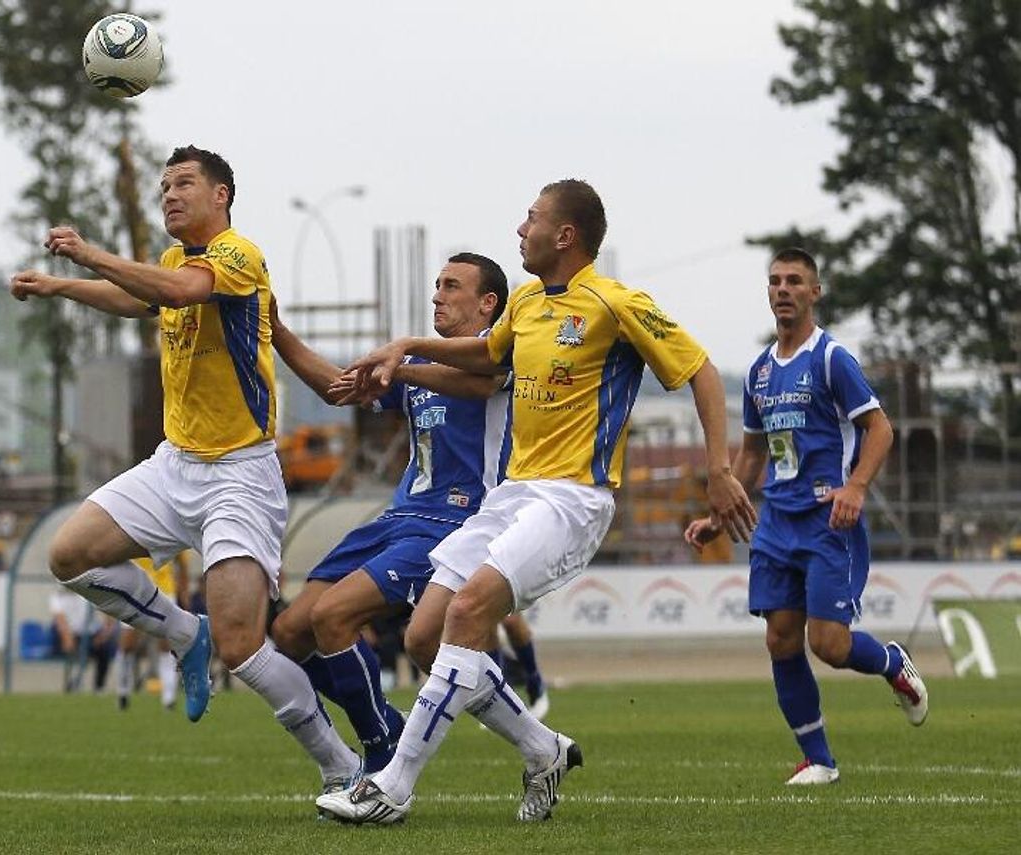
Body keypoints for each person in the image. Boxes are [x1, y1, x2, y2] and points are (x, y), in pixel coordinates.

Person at [317, 179, 756, 824]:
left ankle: (391, 787)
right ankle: (542, 748)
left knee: (468, 611)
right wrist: (405, 349)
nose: (520, 230)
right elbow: (486, 359)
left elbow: (700, 370)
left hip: (573, 497)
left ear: (565, 235)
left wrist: (718, 468)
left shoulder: (616, 303)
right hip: (514, 492)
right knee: (422, 637)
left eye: (531, 219)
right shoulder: (524, 303)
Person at [8, 145, 360, 791]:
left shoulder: (236, 256)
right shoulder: (173, 259)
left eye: (184, 184)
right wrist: (60, 285)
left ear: (221, 194)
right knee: (71, 555)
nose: (169, 194)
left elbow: (181, 290)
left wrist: (88, 251)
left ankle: (341, 767)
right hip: (175, 462)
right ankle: (180, 632)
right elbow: (140, 298)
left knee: (242, 646)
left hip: (239, 472)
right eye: (164, 185)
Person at [684, 247, 928, 786]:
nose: (783, 289)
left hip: (827, 520)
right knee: (780, 640)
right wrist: (718, 518)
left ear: (815, 291)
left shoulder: (831, 358)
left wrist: (856, 487)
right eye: (775, 281)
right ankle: (819, 759)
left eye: (795, 281)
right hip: (776, 522)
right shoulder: (760, 372)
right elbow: (751, 454)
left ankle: (892, 663)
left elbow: (880, 428)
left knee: (831, 646)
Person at [268, 252, 511, 781]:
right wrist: (276, 329)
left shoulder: (501, 357)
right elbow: (338, 388)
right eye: (436, 286)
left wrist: (400, 361)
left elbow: (486, 378)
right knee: (289, 631)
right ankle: (387, 724)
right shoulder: (419, 375)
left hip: (451, 524)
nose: (437, 296)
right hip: (396, 518)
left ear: (487, 303)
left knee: (333, 618)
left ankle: (379, 756)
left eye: (451, 286)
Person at [115, 553, 189, 712]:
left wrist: (185, 596)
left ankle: (169, 699)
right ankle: (123, 692)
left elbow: (183, 566)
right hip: (134, 589)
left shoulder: (177, 529)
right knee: (127, 645)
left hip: (164, 590)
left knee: (165, 645)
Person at [49, 587, 118, 693]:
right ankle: (73, 684)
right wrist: (67, 639)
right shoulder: (57, 597)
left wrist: (103, 636)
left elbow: (109, 615)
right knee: (76, 654)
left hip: (92, 634)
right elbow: (60, 621)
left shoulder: (87, 593)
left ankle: (99, 688)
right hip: (73, 635)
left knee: (104, 651)